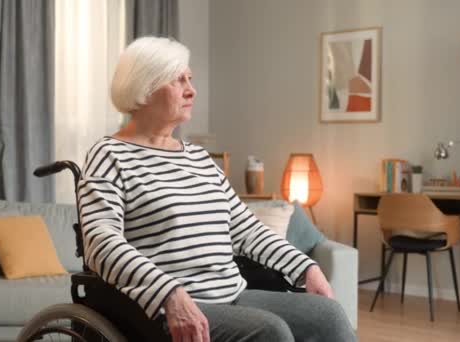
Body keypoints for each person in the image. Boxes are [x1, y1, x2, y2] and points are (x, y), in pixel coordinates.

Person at [77, 36, 356, 342]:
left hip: (231, 295)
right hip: (162, 307)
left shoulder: (198, 158)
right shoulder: (109, 156)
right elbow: (101, 243)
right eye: (177, 79)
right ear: (144, 88)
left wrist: (306, 269)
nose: (191, 89)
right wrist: (169, 293)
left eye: (190, 78)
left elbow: (246, 229)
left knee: (327, 316)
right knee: (270, 332)